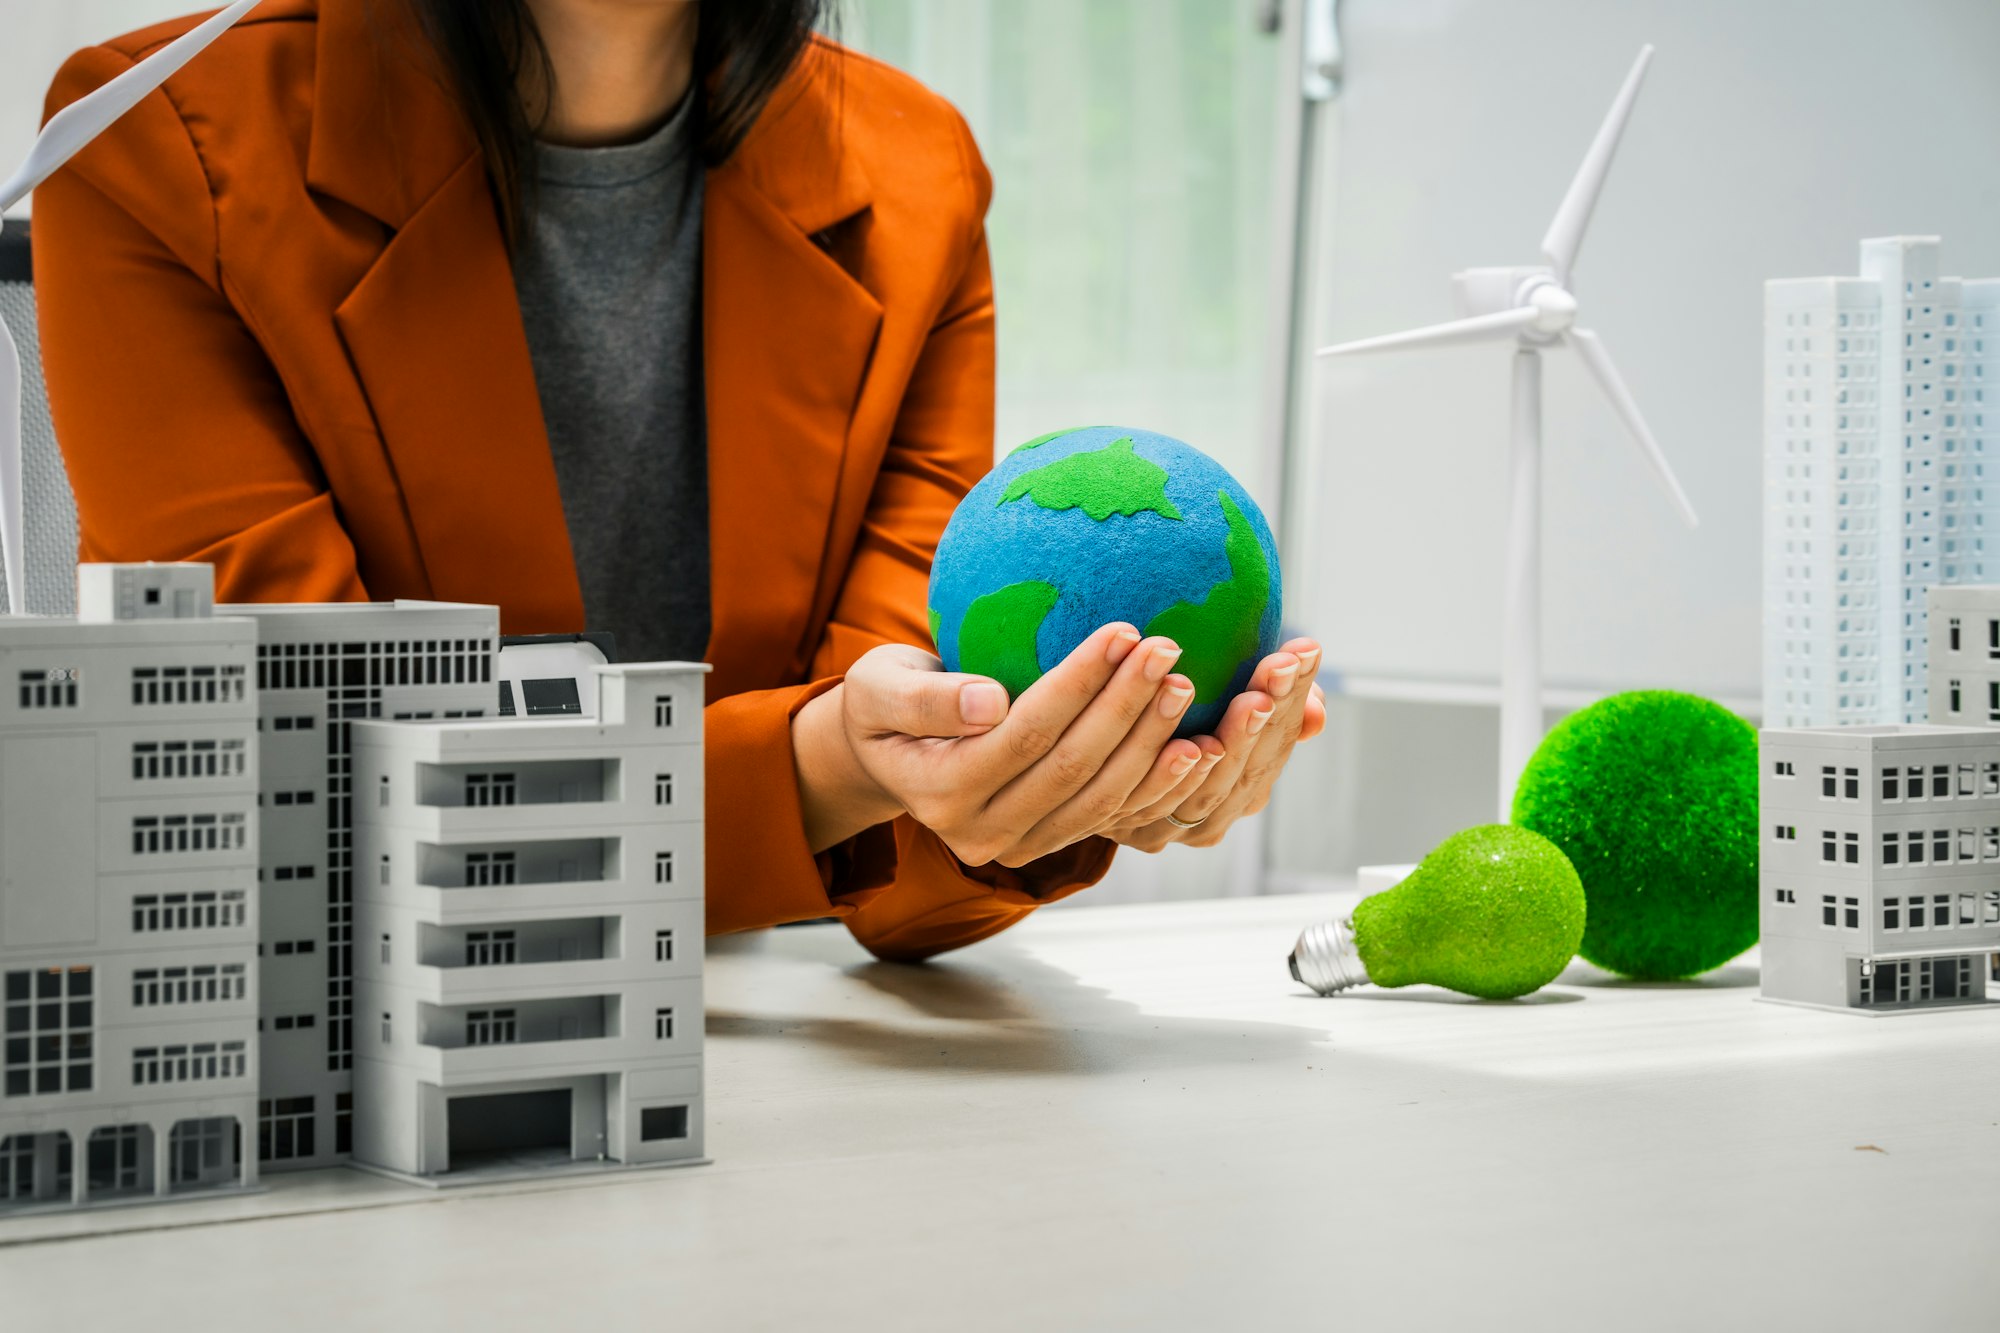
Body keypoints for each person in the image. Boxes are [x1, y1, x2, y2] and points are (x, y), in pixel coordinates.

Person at [34, 0, 1325, 961]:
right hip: (352, 1058)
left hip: (766, 1078)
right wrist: (827, 761)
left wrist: (1051, 771)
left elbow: (906, 840)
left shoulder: (914, 174)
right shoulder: (152, 147)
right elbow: (313, 790)